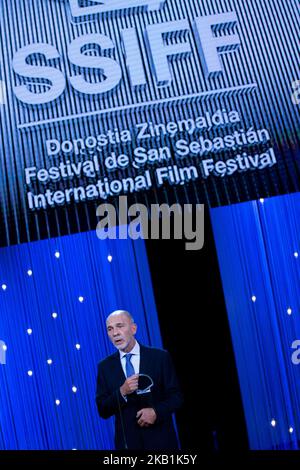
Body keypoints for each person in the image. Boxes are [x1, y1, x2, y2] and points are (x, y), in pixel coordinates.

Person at [95, 309, 183, 450]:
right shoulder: (105, 367)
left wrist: (156, 412)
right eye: (110, 329)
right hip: (128, 445)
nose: (115, 333)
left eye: (120, 326)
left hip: (162, 444)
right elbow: (102, 409)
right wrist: (122, 391)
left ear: (133, 328)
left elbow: (176, 397)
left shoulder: (159, 357)